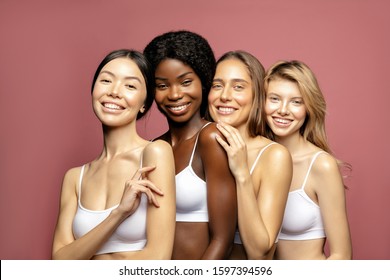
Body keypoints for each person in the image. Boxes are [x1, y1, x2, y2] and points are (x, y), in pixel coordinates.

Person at [51, 49, 176, 260]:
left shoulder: (155, 153)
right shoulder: (75, 178)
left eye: (130, 85)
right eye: (106, 81)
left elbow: (158, 258)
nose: (115, 92)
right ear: (93, 90)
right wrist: (119, 214)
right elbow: (60, 261)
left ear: (145, 103)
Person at [143, 30, 237, 260]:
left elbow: (223, 241)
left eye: (185, 82)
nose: (175, 94)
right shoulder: (155, 147)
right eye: (162, 85)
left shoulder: (211, 138)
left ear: (204, 82)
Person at [207, 51, 293, 260]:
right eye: (217, 85)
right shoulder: (198, 149)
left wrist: (242, 173)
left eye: (238, 87)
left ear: (256, 96)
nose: (225, 96)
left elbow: (260, 253)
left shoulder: (274, 156)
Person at [263, 60, 352, 259]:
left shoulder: (321, 165)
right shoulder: (255, 158)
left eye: (296, 101)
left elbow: (342, 256)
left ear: (308, 107)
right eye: (275, 98)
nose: (283, 110)